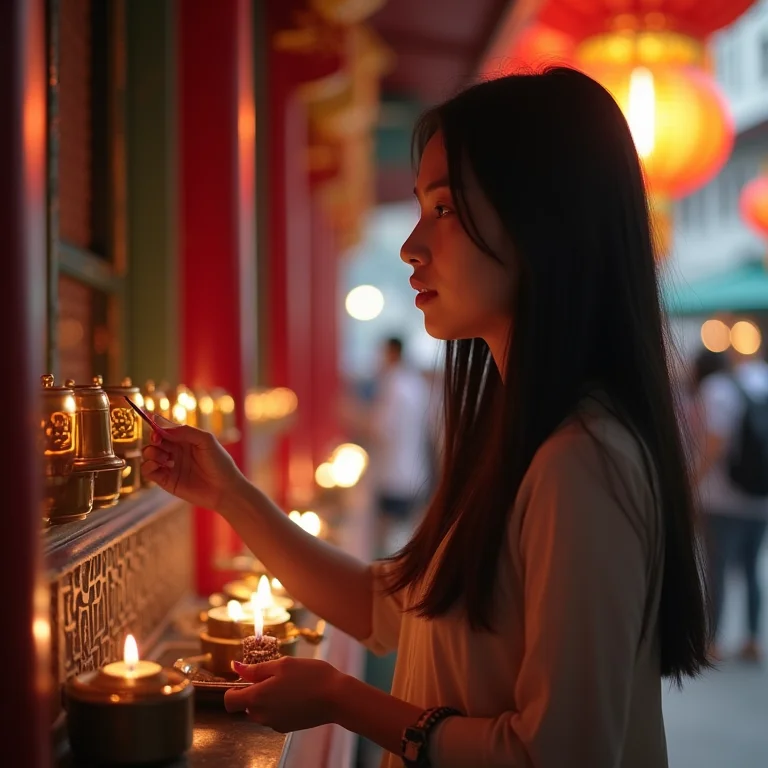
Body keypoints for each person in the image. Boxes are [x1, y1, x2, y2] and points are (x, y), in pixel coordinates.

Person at [142, 67, 710, 768]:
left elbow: (559, 754)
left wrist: (343, 701)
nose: (411, 245)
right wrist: (230, 495)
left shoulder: (581, 459)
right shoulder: (514, 436)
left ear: (544, 222)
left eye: (442, 209)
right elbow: (389, 609)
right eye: (420, 207)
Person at [697, 342, 768, 662]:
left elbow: (715, 441)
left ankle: (713, 640)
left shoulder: (716, 389)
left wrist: (690, 483)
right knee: (752, 568)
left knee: (718, 569)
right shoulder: (762, 380)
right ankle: (753, 638)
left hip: (722, 499)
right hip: (760, 497)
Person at [368, 336, 432, 554]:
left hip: (394, 473)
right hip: (415, 469)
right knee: (405, 535)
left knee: (391, 539)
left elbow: (382, 429)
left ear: (392, 353)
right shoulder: (415, 383)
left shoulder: (393, 385)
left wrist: (355, 416)